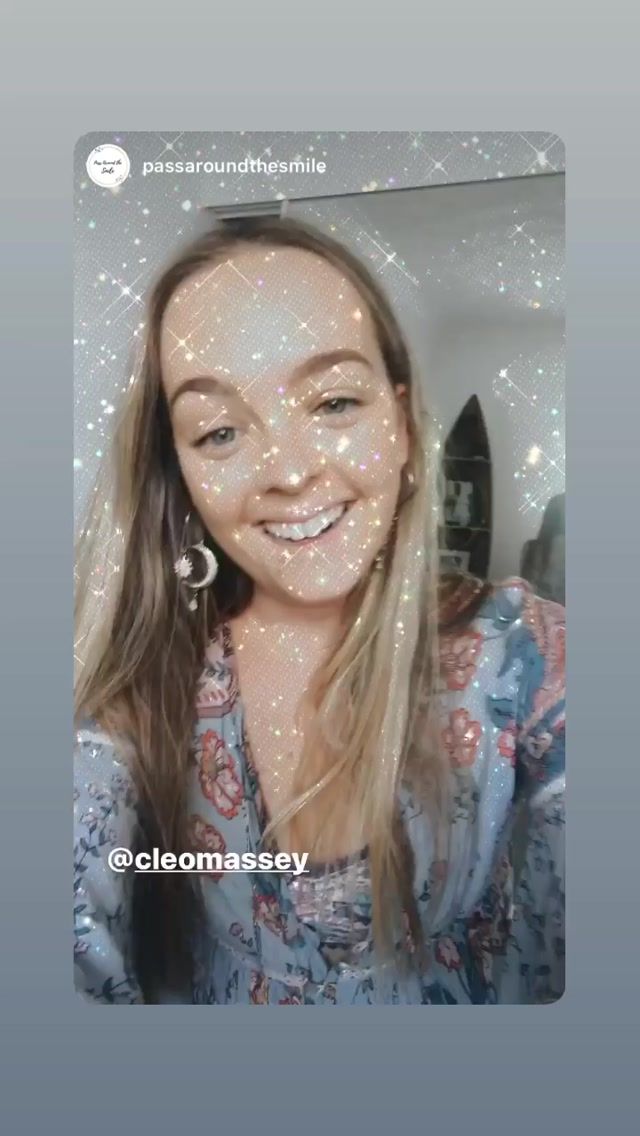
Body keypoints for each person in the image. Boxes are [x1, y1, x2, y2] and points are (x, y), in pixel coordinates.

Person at [74, 217, 565, 1005]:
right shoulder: (147, 690)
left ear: (400, 425)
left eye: (333, 402)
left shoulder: (526, 658)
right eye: (220, 432)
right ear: (181, 475)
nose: (291, 472)